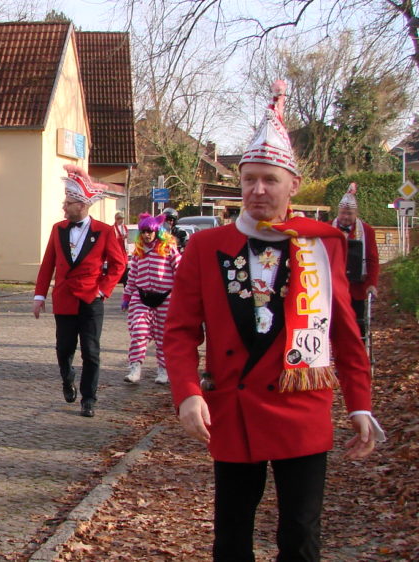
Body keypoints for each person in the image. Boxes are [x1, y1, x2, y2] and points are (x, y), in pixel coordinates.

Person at [163, 80, 384, 560]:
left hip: (301, 403)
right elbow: (179, 331)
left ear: (293, 186)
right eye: (249, 179)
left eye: (270, 180)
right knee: (232, 535)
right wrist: (186, 393)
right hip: (233, 408)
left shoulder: (322, 245)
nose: (258, 190)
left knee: (301, 534)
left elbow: (345, 332)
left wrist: (361, 404)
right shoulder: (204, 247)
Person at [33, 165, 126, 417]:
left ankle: (89, 398)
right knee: (63, 348)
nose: (64, 206)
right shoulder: (58, 229)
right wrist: (39, 296)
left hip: (90, 300)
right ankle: (67, 377)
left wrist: (103, 290)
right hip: (63, 298)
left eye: (68, 202)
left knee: (91, 351)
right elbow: (48, 264)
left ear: (83, 205)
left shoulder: (104, 232)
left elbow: (119, 264)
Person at [122, 213, 180, 385]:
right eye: (143, 232)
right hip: (142, 296)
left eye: (149, 231)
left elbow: (180, 270)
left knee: (163, 336)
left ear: (157, 232)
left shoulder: (168, 248)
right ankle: (135, 367)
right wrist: (127, 295)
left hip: (165, 297)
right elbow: (132, 275)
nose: (146, 235)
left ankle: (163, 370)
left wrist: (181, 295)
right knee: (138, 331)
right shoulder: (139, 252)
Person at [332, 183, 380, 341]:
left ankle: (359, 357)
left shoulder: (367, 231)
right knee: (335, 325)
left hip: (357, 287)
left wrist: (372, 283)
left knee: (358, 325)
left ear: (356, 213)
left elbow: (373, 259)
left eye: (349, 213)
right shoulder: (328, 229)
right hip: (334, 287)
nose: (345, 217)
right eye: (343, 213)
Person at [113, 211, 130, 285]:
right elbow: (113, 240)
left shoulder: (124, 227)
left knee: (125, 267)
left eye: (122, 218)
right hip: (117, 251)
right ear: (116, 219)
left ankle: (125, 282)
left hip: (124, 251)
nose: (121, 220)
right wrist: (122, 238)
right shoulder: (113, 228)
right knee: (119, 267)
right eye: (120, 218)